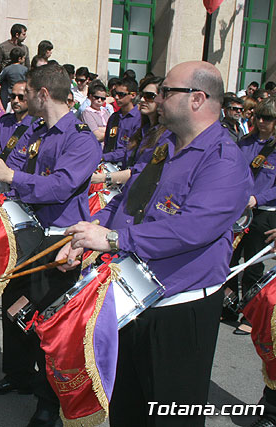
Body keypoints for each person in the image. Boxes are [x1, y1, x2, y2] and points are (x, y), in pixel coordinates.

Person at [56, 60, 251, 426]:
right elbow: (127, 200)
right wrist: (88, 234)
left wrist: (112, 238)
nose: (158, 99)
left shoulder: (225, 159)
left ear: (197, 99)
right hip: (132, 297)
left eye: (166, 92)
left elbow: (193, 229)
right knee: (127, 406)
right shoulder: (163, 144)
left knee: (170, 415)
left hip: (179, 309)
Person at [0, 64, 101, 426]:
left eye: (27, 91)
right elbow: (16, 171)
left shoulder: (81, 138)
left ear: (43, 94)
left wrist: (13, 175)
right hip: (28, 232)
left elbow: (61, 186)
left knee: (48, 319)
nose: (22, 97)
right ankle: (18, 375)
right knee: (15, 306)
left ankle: (49, 405)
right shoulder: (36, 131)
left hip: (60, 239)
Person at [230, 98, 276, 312]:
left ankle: (249, 313)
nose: (260, 121)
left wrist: (257, 199)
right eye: (257, 116)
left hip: (264, 212)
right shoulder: (246, 142)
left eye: (267, 118)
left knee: (253, 264)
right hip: (238, 209)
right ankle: (228, 305)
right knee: (230, 258)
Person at [92, 76, 167, 187]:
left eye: (149, 96)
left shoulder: (164, 134)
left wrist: (104, 176)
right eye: (142, 95)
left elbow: (141, 170)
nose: (142, 100)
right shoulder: (118, 119)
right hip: (120, 175)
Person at [0, 80, 36, 172]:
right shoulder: (3, 122)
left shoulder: (37, 127)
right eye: (13, 96)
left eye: (21, 97)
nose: (16, 101)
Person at [102, 77, 141, 165]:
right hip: (108, 164)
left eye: (121, 94)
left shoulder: (138, 119)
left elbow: (130, 150)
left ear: (133, 95)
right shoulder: (114, 117)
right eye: (115, 93)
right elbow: (107, 142)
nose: (116, 97)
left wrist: (105, 157)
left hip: (126, 166)